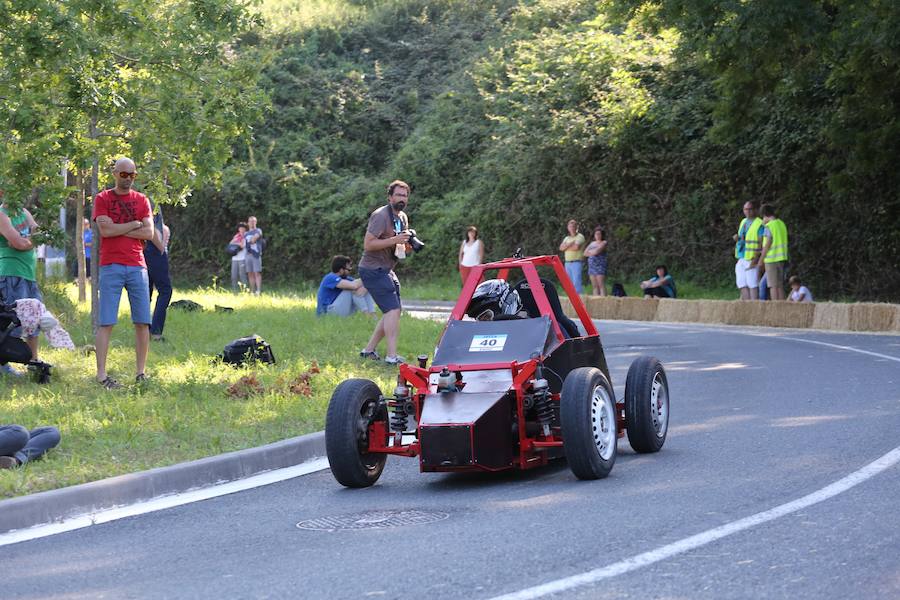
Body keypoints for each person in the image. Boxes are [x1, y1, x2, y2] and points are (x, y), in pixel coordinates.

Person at [92, 157, 154, 389]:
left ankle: (141, 373)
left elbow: (149, 233)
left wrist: (119, 229)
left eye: (132, 175)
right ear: (115, 173)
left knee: (143, 322)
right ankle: (101, 375)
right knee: (106, 322)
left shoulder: (142, 200)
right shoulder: (103, 198)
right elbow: (105, 231)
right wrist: (134, 224)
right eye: (124, 174)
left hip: (138, 266)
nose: (128, 179)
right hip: (111, 265)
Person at [358, 180, 413, 365]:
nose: (402, 198)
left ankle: (368, 351)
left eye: (405, 195)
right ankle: (391, 357)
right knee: (392, 310)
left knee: (393, 312)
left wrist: (407, 245)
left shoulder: (402, 217)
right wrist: (394, 240)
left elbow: (399, 244)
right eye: (398, 195)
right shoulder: (381, 216)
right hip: (372, 269)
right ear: (390, 197)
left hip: (387, 269)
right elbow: (368, 244)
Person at [0, 190, 42, 376]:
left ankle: (34, 362)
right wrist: (25, 241)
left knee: (35, 318)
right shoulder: (2, 215)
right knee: (12, 321)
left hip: (29, 274)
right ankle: (3, 366)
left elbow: (38, 233)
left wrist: (26, 240)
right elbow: (19, 244)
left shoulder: (24, 212)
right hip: (11, 274)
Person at [144, 203, 172, 341]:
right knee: (165, 290)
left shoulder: (139, 198)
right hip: (153, 250)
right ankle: (155, 332)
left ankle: (145, 331)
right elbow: (151, 227)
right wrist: (161, 248)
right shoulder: (151, 200)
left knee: (146, 292)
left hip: (142, 249)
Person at [757, 204, 789, 301]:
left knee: (772, 286)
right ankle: (783, 305)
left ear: (765, 215)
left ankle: (774, 306)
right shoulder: (781, 224)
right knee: (780, 285)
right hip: (782, 257)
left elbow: (767, 244)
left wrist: (761, 260)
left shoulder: (769, 226)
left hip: (771, 259)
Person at [733, 200, 764, 300]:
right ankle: (746, 305)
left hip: (752, 258)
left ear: (755, 210)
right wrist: (737, 239)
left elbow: (761, 243)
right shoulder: (743, 221)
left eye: (749, 209)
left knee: (752, 284)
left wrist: (756, 259)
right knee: (742, 283)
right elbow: (744, 239)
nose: (747, 211)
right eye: (745, 209)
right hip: (741, 256)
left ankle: (754, 305)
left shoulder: (759, 223)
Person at [559, 219, 585, 294]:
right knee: (569, 281)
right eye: (570, 226)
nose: (572, 228)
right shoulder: (567, 238)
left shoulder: (580, 236)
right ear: (568, 228)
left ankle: (578, 296)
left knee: (576, 281)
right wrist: (571, 244)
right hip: (567, 262)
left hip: (576, 262)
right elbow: (561, 248)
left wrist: (566, 246)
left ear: (576, 227)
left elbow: (576, 248)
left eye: (573, 226)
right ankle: (570, 296)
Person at [583, 225, 608, 296]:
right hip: (592, 266)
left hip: (600, 266)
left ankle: (603, 299)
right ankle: (595, 299)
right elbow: (585, 253)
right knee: (594, 286)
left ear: (602, 235)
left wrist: (591, 252)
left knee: (601, 284)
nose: (597, 235)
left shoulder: (604, 242)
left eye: (599, 234)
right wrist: (592, 252)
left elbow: (597, 251)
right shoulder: (592, 243)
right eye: (596, 234)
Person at [244, 215, 263, 295]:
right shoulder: (246, 233)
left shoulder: (258, 230)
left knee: (257, 273)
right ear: (248, 223)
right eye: (250, 221)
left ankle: (258, 291)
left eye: (253, 221)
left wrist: (249, 241)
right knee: (250, 273)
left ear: (256, 222)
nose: (252, 223)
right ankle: (252, 291)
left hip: (256, 255)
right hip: (248, 255)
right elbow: (243, 244)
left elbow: (253, 239)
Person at [230, 222, 248, 292]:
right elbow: (230, 244)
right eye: (240, 228)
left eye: (243, 228)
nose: (241, 229)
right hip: (234, 258)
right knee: (233, 275)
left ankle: (245, 290)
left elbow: (242, 246)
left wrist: (236, 243)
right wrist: (237, 243)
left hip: (242, 258)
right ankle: (235, 291)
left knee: (242, 275)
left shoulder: (246, 236)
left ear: (245, 229)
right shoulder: (236, 236)